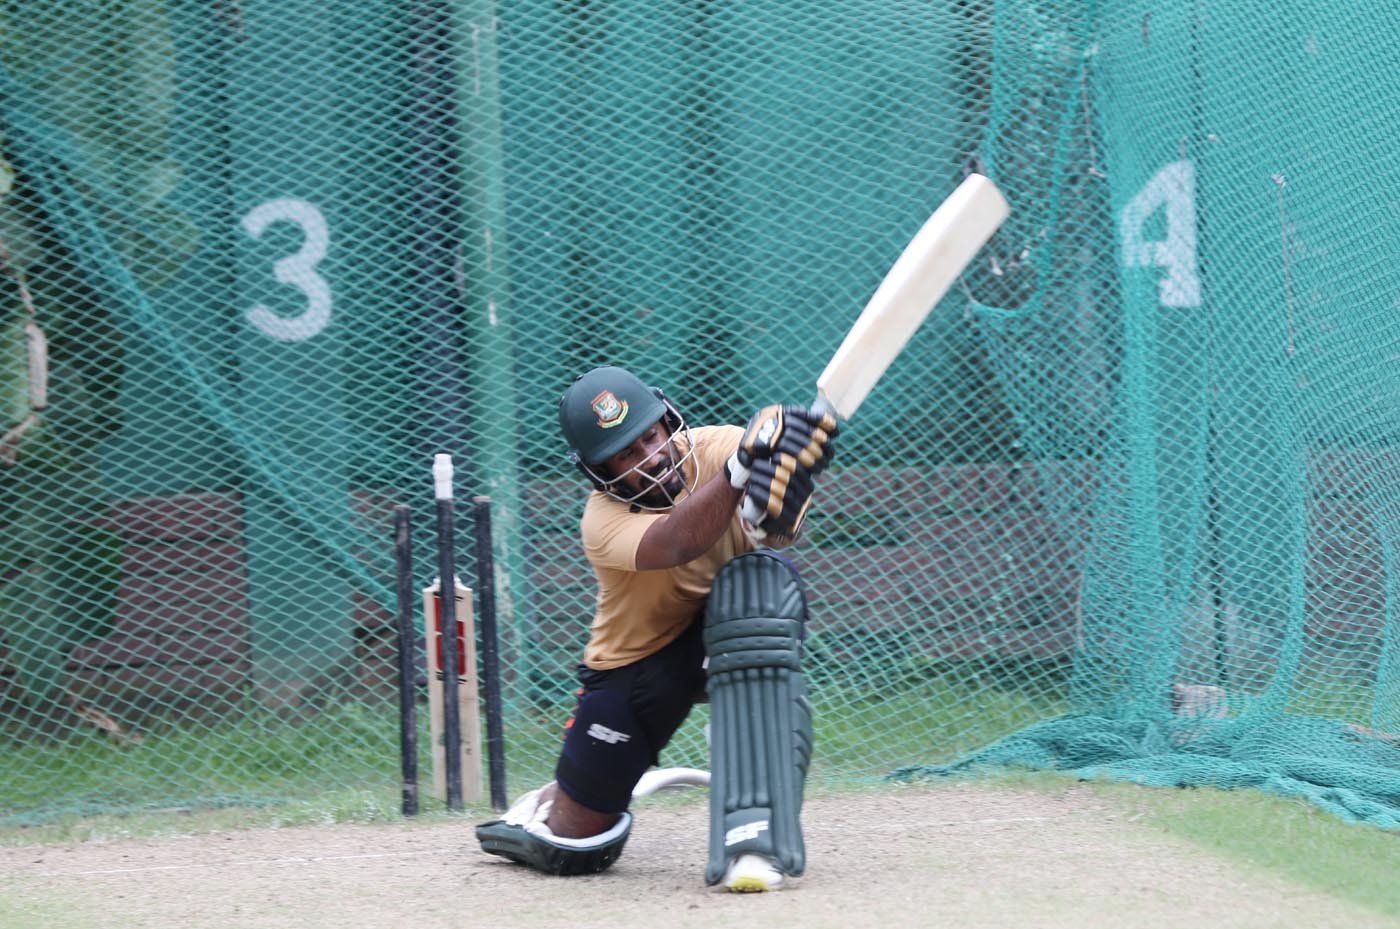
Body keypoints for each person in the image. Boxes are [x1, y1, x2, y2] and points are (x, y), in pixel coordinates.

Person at [475, 364, 837, 891]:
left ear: (668, 423)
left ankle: (755, 835)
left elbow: (774, 533)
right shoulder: (601, 522)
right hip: (638, 667)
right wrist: (741, 473)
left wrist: (785, 490)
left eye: (650, 435)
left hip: (731, 629)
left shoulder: (719, 447)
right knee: (580, 848)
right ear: (597, 470)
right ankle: (550, 805)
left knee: (764, 585)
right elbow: (676, 542)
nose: (650, 456)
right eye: (626, 453)